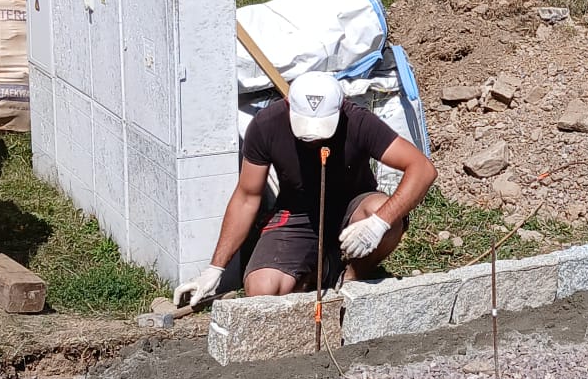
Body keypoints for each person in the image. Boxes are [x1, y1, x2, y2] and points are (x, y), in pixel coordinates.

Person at [174, 71, 436, 307]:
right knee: (262, 290)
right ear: (288, 104)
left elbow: (423, 169)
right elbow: (247, 197)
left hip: (353, 209)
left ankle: (351, 279)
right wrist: (215, 268)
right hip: (297, 213)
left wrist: (378, 223)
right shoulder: (267, 126)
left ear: (341, 107)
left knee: (384, 214)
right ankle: (323, 267)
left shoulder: (358, 122)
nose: (315, 139)